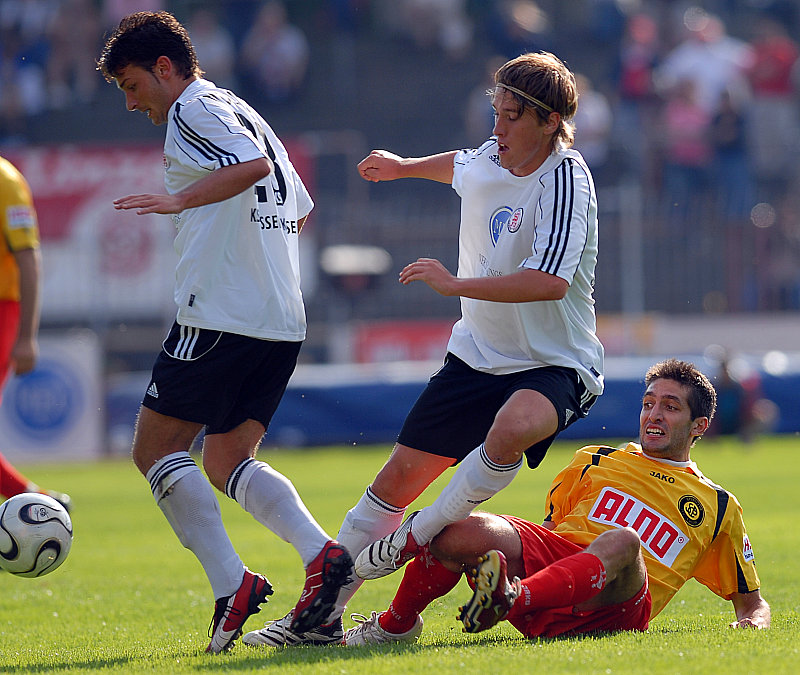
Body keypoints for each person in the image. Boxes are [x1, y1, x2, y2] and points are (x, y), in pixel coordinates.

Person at [244, 50, 603, 647]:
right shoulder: (492, 155)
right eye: (496, 112)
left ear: (548, 121)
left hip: (554, 362)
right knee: (393, 481)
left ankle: (417, 536)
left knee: (514, 426)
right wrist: (402, 166)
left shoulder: (566, 178)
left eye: (512, 116)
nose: (497, 127)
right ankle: (316, 619)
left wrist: (456, 284)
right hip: (476, 356)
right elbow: (460, 165)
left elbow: (550, 281)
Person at [96, 11, 352, 654]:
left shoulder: (190, 109)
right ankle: (321, 554)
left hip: (218, 313)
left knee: (154, 450)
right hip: (279, 317)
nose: (131, 103)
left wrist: (182, 203)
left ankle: (231, 584)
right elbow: (297, 204)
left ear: (164, 68)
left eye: (132, 85)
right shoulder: (242, 107)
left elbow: (253, 168)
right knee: (226, 459)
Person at [341, 358, 770, 645]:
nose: (654, 414)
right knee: (457, 532)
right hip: (556, 582)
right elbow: (548, 532)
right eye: (648, 403)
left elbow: (752, 603)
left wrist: (750, 625)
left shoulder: (718, 505)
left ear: (700, 426)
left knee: (622, 541)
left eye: (670, 407)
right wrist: (488, 548)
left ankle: (509, 596)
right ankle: (395, 626)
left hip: (616, 607)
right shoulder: (595, 460)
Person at [0, 154, 71, 512]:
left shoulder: (6, 180)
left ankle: (37, 504)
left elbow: (28, 257)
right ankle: (40, 502)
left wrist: (26, 335)